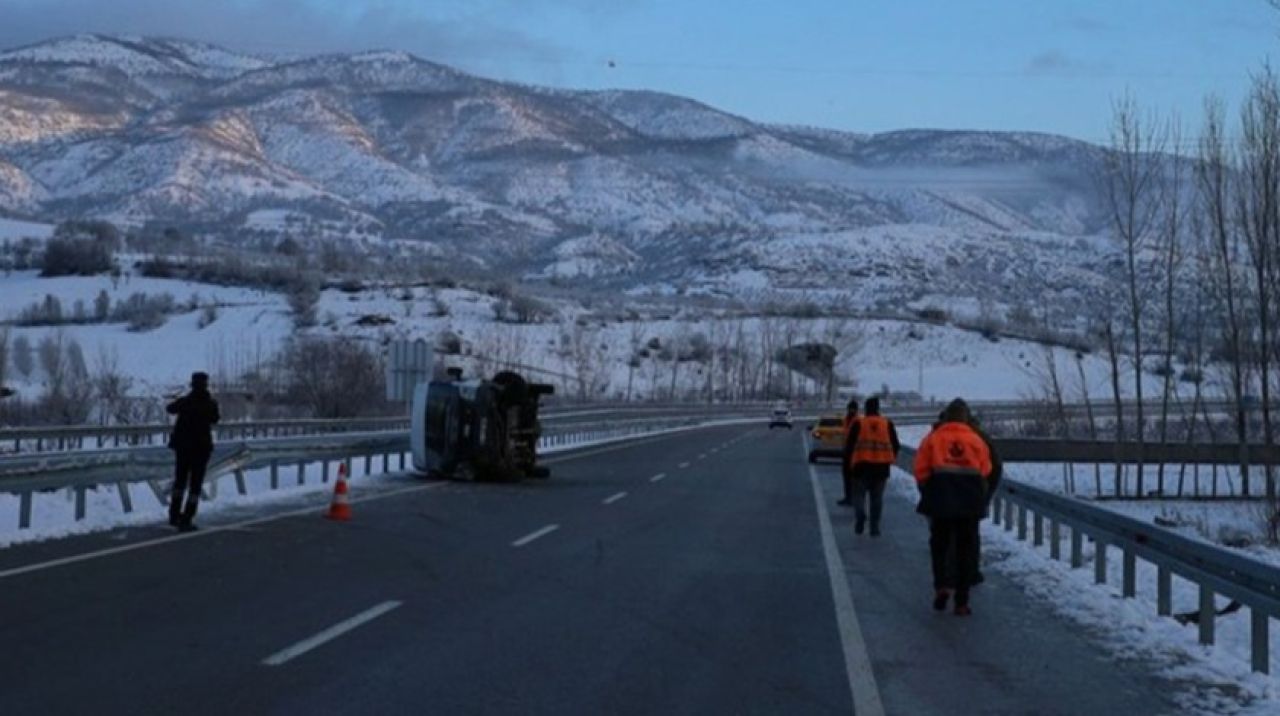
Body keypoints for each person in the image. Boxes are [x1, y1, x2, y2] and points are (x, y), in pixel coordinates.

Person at [914, 398, 993, 616]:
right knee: (965, 551)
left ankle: (941, 587)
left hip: (940, 502)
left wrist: (928, 490)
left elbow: (920, 469)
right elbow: (986, 470)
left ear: (948, 416)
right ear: (966, 417)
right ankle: (962, 601)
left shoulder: (933, 438)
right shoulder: (976, 441)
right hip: (968, 505)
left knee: (939, 547)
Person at [167, 371, 220, 531]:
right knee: (195, 484)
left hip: (183, 447)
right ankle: (187, 516)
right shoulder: (210, 403)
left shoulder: (186, 402)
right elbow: (215, 418)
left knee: (180, 481)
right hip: (201, 448)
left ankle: (174, 514)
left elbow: (170, 408)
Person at [842, 396, 900, 536]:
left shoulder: (859, 424)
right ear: (878, 408)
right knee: (877, 498)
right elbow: (895, 445)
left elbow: (849, 446)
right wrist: (888, 459)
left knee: (858, 495)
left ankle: (860, 514)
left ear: (866, 409)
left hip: (861, 466)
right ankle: (874, 527)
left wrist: (848, 464)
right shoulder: (887, 424)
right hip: (881, 468)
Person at [836, 399, 859, 507]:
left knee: (854, 478)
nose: (851, 410)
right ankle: (848, 497)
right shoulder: (846, 420)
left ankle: (854, 498)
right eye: (850, 408)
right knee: (846, 477)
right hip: (846, 452)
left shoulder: (858, 421)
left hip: (855, 453)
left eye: (853, 409)